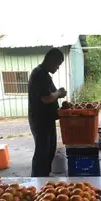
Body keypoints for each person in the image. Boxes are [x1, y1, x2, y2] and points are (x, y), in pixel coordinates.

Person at [28, 48, 67, 177]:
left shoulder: (45, 75)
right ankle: (38, 181)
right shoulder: (39, 74)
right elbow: (47, 98)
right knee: (42, 154)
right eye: (57, 64)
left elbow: (52, 95)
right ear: (51, 60)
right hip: (40, 121)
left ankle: (44, 178)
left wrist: (60, 96)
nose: (57, 68)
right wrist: (59, 93)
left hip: (47, 120)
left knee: (49, 151)